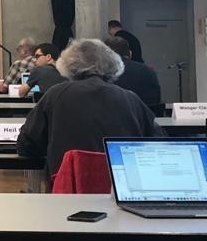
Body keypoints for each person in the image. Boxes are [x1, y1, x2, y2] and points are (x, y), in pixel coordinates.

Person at [17, 38, 165, 176]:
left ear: (67, 65)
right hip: (119, 183)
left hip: (69, 185)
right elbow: (158, 142)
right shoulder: (130, 98)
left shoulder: (55, 95)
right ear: (113, 64)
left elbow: (26, 144)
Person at [105, 35, 161, 107]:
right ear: (130, 53)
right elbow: (156, 100)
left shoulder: (101, 74)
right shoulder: (148, 71)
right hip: (144, 113)